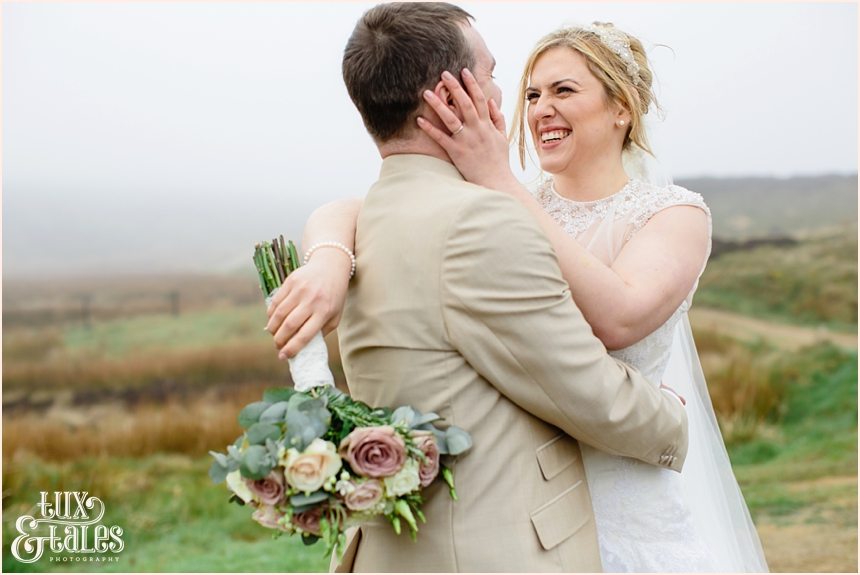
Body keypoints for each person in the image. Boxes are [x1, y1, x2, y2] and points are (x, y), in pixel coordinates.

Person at [267, 3, 690, 572]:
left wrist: (327, 254)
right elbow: (585, 389)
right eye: (496, 75)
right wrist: (672, 419)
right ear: (451, 93)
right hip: (496, 547)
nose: (513, 99)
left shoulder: (374, 218)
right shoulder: (481, 223)